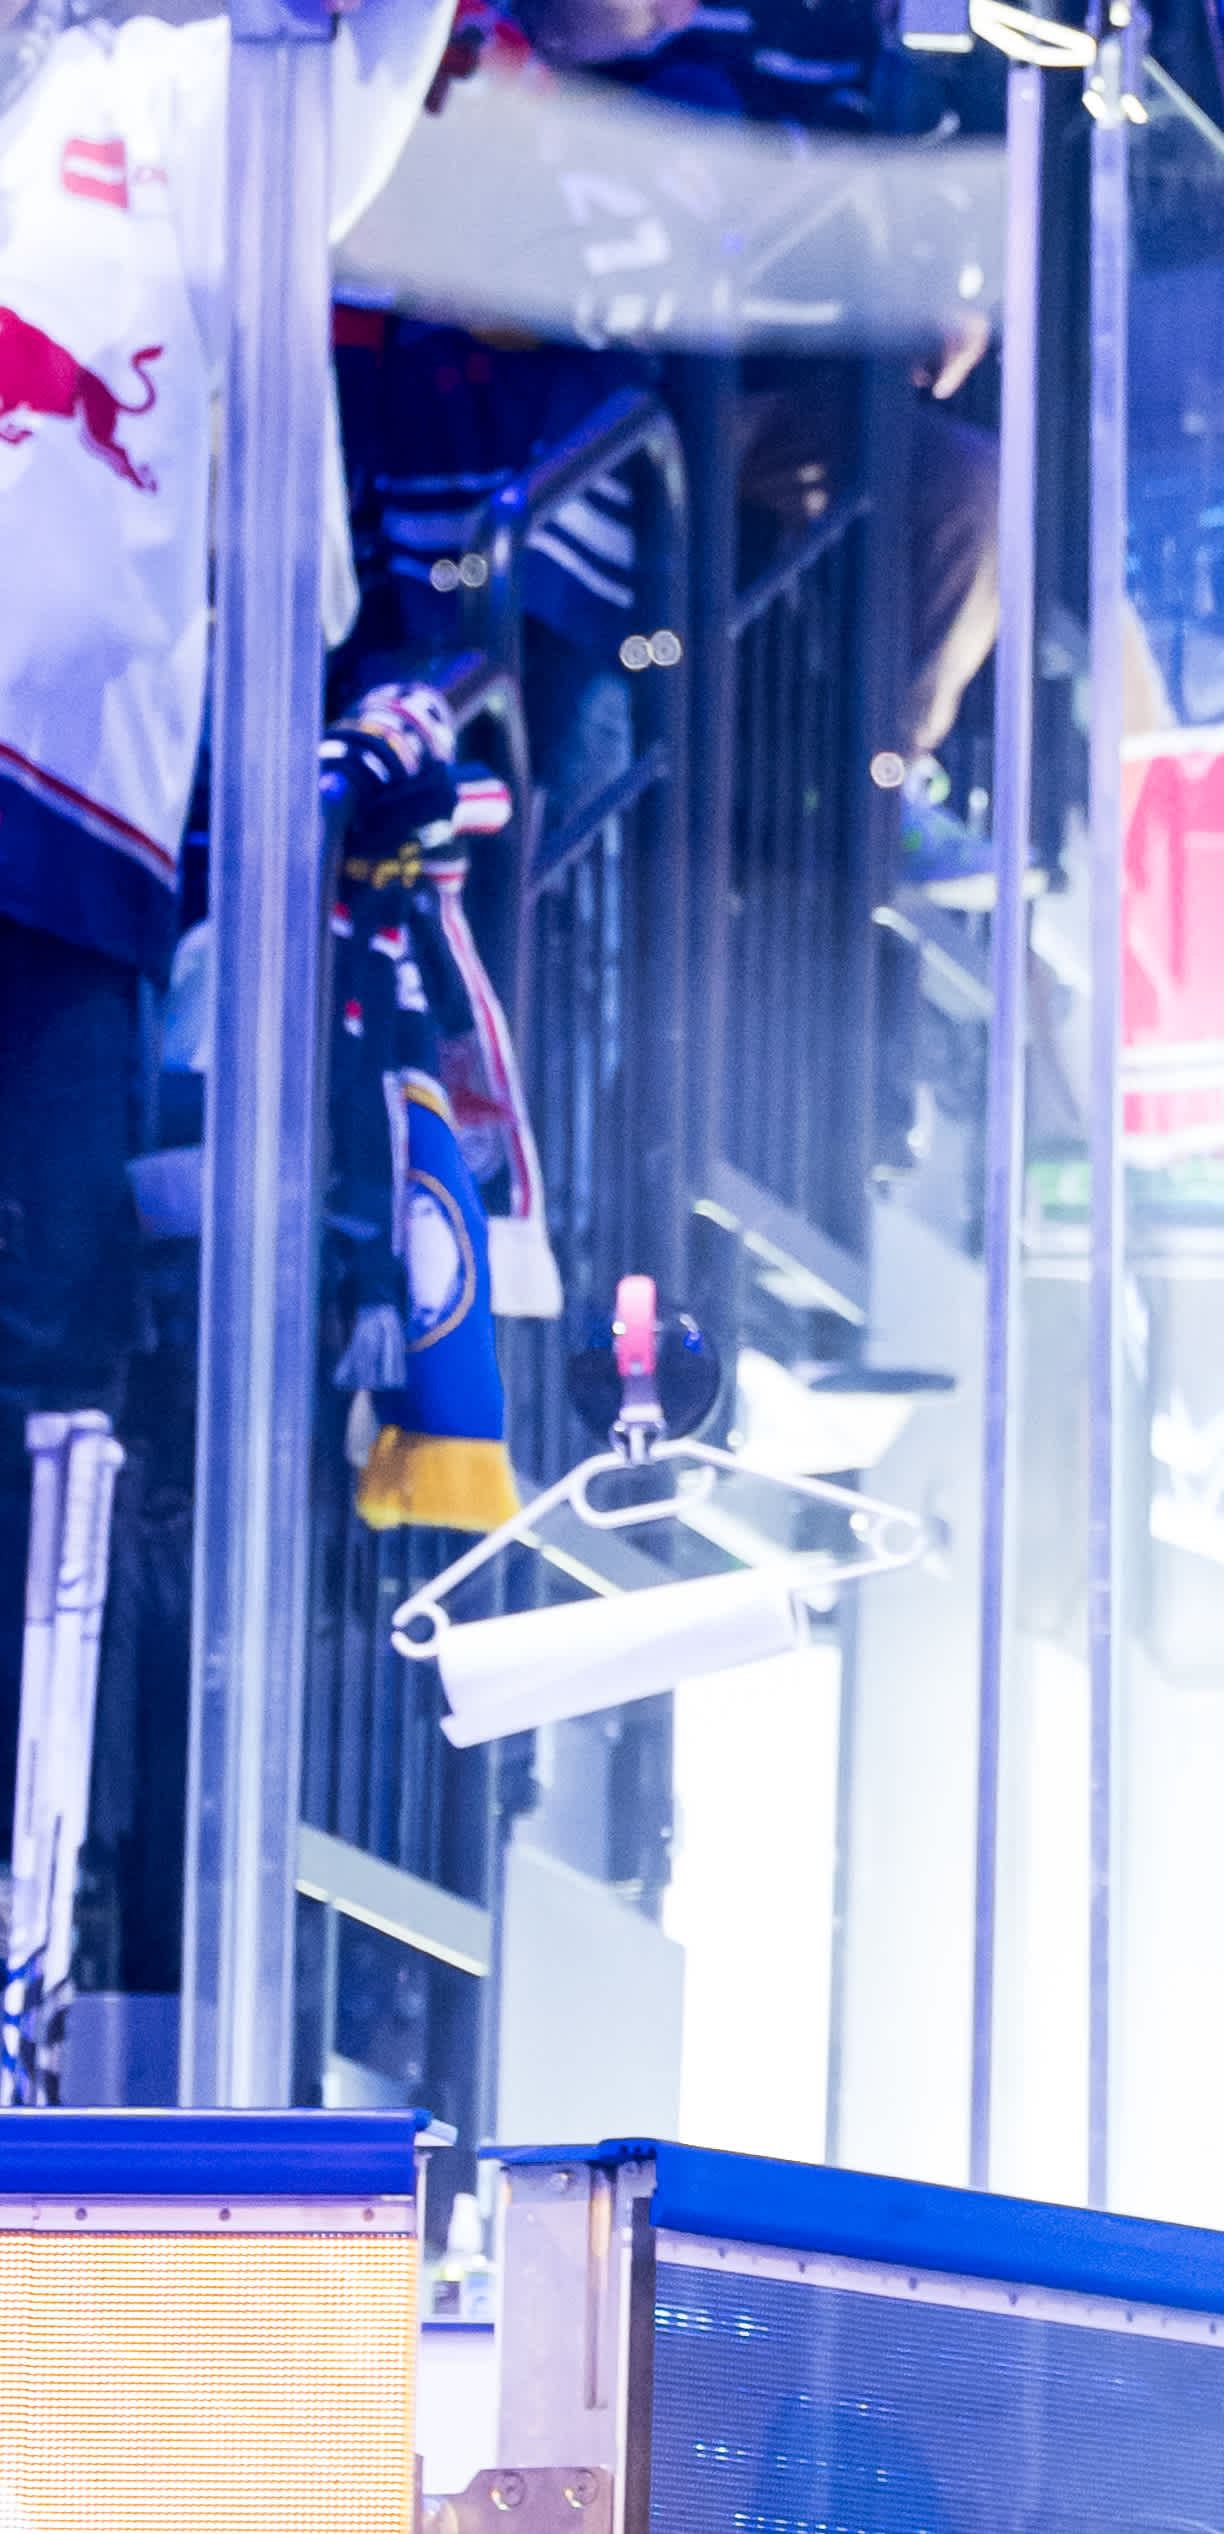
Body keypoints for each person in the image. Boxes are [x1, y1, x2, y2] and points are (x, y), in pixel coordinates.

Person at [2, 0, 452, 1822]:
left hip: (60, 829)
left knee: (43, 1352)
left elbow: (362, 72)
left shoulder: (172, 79)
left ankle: (32, 1861)